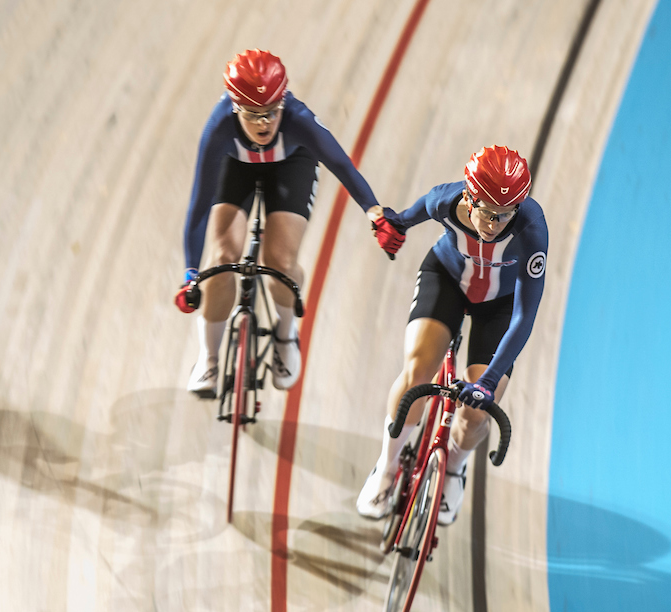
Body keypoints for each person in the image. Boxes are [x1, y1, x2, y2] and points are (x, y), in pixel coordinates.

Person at [175, 49, 404, 395]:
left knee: (279, 261)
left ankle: (285, 335)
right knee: (222, 260)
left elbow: (342, 166)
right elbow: (199, 206)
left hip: (290, 166)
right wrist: (191, 274)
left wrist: (375, 214)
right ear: (236, 107)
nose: (265, 123)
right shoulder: (219, 127)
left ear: (283, 102)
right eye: (254, 115)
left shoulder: (299, 120)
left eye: (271, 112)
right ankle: (208, 359)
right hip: (235, 167)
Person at [356, 145, 547, 526]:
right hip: (446, 279)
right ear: (468, 197)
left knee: (477, 409)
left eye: (505, 215)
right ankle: (387, 465)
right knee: (417, 371)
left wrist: (489, 382)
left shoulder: (531, 230)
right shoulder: (445, 201)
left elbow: (525, 316)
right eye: (488, 213)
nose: (495, 224)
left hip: (501, 305)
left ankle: (454, 468)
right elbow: (408, 216)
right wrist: (393, 227)